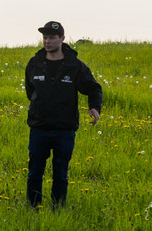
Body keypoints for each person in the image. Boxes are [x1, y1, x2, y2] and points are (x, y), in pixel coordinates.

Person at [25, 20, 102, 209]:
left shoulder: (74, 66)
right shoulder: (34, 64)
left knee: (60, 173)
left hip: (64, 129)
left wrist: (94, 108)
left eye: (51, 37)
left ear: (62, 39)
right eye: (45, 37)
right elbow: (30, 91)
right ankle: (33, 208)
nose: (47, 41)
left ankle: (58, 209)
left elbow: (93, 88)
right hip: (39, 127)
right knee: (34, 172)